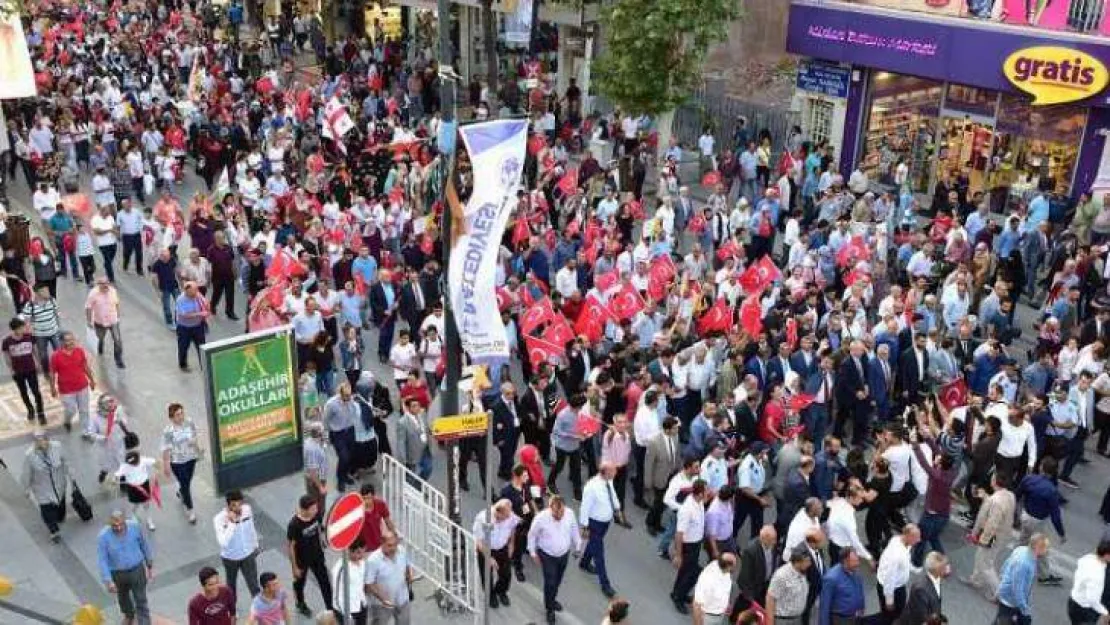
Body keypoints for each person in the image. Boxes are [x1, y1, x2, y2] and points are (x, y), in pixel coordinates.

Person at [527, 495, 583, 625]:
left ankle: (551, 599)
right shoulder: (541, 518)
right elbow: (532, 535)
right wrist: (532, 552)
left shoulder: (569, 513)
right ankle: (550, 609)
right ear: (550, 508)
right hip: (547, 555)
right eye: (556, 513)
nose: (559, 516)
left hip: (564, 554)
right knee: (550, 582)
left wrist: (578, 546)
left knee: (557, 580)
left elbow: (574, 529)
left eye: (561, 512)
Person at [96, 510, 154, 625]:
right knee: (123, 598)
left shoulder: (135, 527)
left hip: (137, 570)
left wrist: (149, 564)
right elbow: (102, 560)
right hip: (118, 574)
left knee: (141, 598)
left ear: (125, 521)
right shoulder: (103, 537)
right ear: (109, 524)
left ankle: (145, 622)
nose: (118, 528)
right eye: (114, 526)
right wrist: (108, 581)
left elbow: (144, 544)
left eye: (120, 525)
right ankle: (129, 614)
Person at [578, 462, 623, 599]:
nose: (616, 472)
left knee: (594, 545)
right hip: (594, 524)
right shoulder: (592, 487)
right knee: (599, 554)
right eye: (614, 471)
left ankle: (584, 563)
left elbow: (612, 494)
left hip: (604, 523)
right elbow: (584, 507)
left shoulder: (608, 481)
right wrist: (584, 526)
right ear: (606, 472)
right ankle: (605, 585)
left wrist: (617, 508)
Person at [287, 494, 334, 616]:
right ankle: (300, 603)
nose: (316, 511)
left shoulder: (316, 516)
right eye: (313, 509)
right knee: (300, 583)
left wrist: (323, 540)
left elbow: (320, 524)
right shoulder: (294, 525)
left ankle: (331, 609)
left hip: (317, 555)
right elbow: (291, 546)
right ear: (304, 509)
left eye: (316, 508)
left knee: (325, 582)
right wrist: (295, 567)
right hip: (301, 559)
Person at [213, 490, 261, 604]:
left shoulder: (247, 510)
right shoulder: (219, 519)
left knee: (253, 583)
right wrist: (232, 523)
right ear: (228, 505)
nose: (238, 508)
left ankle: (259, 608)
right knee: (231, 585)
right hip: (230, 558)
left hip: (248, 554)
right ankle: (232, 608)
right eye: (234, 505)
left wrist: (255, 545)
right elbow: (223, 542)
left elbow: (251, 528)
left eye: (240, 503)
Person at [20, 430, 69, 541]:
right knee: (47, 510)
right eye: (38, 441)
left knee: (60, 510)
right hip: (42, 488)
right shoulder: (29, 455)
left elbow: (66, 462)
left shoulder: (57, 447)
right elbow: (26, 474)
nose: (41, 443)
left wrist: (71, 476)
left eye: (43, 439)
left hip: (59, 484)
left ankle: (59, 517)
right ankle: (54, 531)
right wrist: (26, 488)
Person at [472, 498, 521, 608]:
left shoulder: (510, 515)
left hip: (502, 549)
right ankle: (490, 596)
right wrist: (488, 557)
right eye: (506, 516)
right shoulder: (484, 519)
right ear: (498, 512)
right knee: (487, 577)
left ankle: (500, 591)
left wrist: (511, 544)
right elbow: (478, 541)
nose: (509, 517)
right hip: (486, 550)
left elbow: (512, 527)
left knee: (506, 574)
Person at [670, 478, 708, 615]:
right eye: (706, 491)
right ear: (700, 494)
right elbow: (679, 534)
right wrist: (678, 555)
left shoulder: (699, 503)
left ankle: (676, 592)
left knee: (685, 572)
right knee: (692, 573)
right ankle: (679, 598)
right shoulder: (687, 509)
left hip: (696, 543)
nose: (708, 492)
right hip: (688, 546)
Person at [161, 402, 201, 524]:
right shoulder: (168, 431)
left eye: (182, 413)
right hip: (177, 461)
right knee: (185, 485)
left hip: (191, 458)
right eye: (178, 415)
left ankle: (181, 492)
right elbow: (165, 448)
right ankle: (190, 510)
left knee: (187, 481)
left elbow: (195, 436)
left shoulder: (189, 422)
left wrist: (197, 449)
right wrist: (166, 465)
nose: (181, 416)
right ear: (171, 417)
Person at [49, 330, 95, 434]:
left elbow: (85, 367)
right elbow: (52, 374)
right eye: (67, 340)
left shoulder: (80, 351)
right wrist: (52, 388)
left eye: (72, 340)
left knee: (84, 410)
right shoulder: (55, 356)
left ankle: (86, 431)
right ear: (61, 342)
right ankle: (67, 420)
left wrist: (92, 380)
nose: (70, 342)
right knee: (71, 410)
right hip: (66, 390)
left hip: (82, 386)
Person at [364, 532, 415, 625]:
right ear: (382, 543)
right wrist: (382, 599)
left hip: (402, 598)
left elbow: (408, 564)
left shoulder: (401, 550)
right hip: (381, 604)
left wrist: (410, 574)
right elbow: (369, 584)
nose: (393, 548)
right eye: (390, 545)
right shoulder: (373, 560)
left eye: (395, 544)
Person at [997, 535, 1049, 625]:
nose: (1047, 550)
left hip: (1009, 595)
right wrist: (1024, 608)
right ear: (1037, 548)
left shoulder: (1022, 549)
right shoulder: (1024, 564)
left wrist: (1002, 581)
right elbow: (1017, 588)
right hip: (1011, 600)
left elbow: (1006, 564)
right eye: (1045, 548)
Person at [875, 524, 921, 624]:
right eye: (916, 538)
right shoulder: (896, 555)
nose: (919, 540)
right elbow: (889, 577)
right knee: (890, 617)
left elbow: (905, 561)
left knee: (898, 613)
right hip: (891, 589)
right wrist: (889, 600)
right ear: (908, 536)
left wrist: (913, 569)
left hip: (898, 586)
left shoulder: (899, 540)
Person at [4, 317, 45, 423]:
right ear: (15, 329)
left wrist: (38, 363)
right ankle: (30, 409)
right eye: (21, 328)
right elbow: (7, 356)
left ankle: (41, 412)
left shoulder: (29, 337)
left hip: (31, 369)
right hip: (18, 371)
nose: (23, 329)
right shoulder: (7, 342)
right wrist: (11, 370)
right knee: (23, 392)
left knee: (36, 391)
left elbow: (35, 350)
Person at [323, 383, 359, 492]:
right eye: (346, 396)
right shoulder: (331, 404)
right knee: (344, 457)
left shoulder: (351, 401)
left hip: (350, 430)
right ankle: (340, 480)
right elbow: (326, 420)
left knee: (350, 455)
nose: (349, 398)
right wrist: (327, 435)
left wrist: (353, 403)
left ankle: (346, 475)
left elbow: (355, 412)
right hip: (338, 433)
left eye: (350, 395)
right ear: (341, 394)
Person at [85, 276, 125, 369]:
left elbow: (117, 303)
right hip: (100, 321)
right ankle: (100, 347)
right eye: (102, 283)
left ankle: (118, 359)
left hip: (113, 320)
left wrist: (118, 314)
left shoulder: (113, 291)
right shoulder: (93, 294)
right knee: (100, 338)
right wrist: (89, 321)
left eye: (106, 283)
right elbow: (88, 307)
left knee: (117, 340)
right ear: (98, 284)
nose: (104, 285)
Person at [819, 547, 866, 625]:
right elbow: (824, 606)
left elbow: (859, 589)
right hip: (842, 620)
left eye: (857, 560)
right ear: (845, 561)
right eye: (854, 561)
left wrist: (862, 606)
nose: (858, 564)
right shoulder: (831, 578)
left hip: (857, 616)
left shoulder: (854, 571)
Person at [766, 547, 813, 624]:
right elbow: (770, 599)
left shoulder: (802, 572)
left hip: (797, 619)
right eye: (807, 561)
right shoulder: (781, 576)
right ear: (797, 562)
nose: (810, 564)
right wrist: (770, 622)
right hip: (783, 621)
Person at [115, 450, 159, 531]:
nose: (135, 465)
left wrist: (157, 469)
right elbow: (117, 475)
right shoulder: (125, 466)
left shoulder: (143, 460)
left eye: (136, 463)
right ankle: (133, 515)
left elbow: (155, 462)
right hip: (133, 487)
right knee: (136, 503)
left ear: (138, 458)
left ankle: (149, 520)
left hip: (144, 485)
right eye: (133, 464)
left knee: (146, 504)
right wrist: (114, 479)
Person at [1068, 541, 1110, 624]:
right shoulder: (1098, 575)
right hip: (1085, 611)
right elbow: (1093, 600)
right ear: (1107, 555)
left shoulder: (1087, 558)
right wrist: (1106, 613)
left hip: (1073, 601)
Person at [902, 551, 948, 625]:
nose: (946, 569)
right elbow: (923, 617)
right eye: (943, 567)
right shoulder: (920, 590)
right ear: (936, 570)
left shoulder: (936, 578)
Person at [692, 553, 736, 625]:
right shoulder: (709, 579)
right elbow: (696, 605)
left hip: (720, 614)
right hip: (708, 618)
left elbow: (725, 588)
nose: (735, 566)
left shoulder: (724, 570)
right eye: (734, 565)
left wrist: (727, 603)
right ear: (728, 567)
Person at [332, 541, 369, 625]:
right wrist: (347, 616)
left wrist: (364, 602)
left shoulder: (362, 563)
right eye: (358, 553)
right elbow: (336, 596)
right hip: (347, 610)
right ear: (349, 551)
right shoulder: (340, 568)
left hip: (361, 605)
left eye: (363, 552)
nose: (361, 556)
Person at [175, 281, 210, 371]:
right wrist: (200, 314)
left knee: (202, 347)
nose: (196, 293)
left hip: (198, 326)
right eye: (193, 291)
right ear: (187, 291)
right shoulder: (181, 299)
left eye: (196, 290)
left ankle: (204, 365)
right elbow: (185, 315)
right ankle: (183, 365)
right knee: (183, 346)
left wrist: (206, 304)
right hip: (184, 327)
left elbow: (205, 303)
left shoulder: (197, 294)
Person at [358, 483, 396, 554]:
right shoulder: (357, 509)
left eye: (369, 498)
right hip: (364, 549)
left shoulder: (380, 504)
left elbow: (388, 521)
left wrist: (394, 535)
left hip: (378, 544)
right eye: (364, 498)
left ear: (373, 496)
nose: (366, 501)